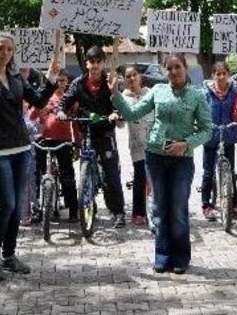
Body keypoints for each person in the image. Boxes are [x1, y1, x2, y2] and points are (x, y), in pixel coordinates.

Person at [0, 32, 58, 281]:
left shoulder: (16, 76)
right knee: (6, 205)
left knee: (17, 209)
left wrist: (50, 78)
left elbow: (38, 100)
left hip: (21, 149)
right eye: (0, 48)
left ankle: (9, 255)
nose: (5, 53)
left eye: (9, 49)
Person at [110, 53, 211, 274]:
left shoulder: (197, 96)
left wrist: (186, 144)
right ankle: (162, 255)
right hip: (155, 157)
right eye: (169, 68)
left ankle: (181, 257)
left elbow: (206, 130)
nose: (173, 72)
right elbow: (132, 113)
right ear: (164, 71)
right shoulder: (158, 91)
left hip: (182, 160)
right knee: (158, 207)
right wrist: (115, 94)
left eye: (178, 67)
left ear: (185, 68)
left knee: (177, 208)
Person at [56, 46, 127, 228]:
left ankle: (118, 212)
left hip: (105, 132)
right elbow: (66, 101)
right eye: (91, 62)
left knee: (111, 174)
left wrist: (115, 113)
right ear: (86, 63)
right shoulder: (78, 83)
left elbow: (119, 102)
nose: (95, 65)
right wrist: (61, 111)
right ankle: (89, 207)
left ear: (103, 63)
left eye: (98, 62)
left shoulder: (110, 82)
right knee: (85, 172)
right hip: (86, 131)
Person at [28, 69, 79, 223]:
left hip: (63, 140)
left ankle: (73, 209)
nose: (61, 84)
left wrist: (77, 143)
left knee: (67, 176)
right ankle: (36, 208)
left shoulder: (69, 99)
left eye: (63, 80)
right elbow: (31, 117)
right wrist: (41, 112)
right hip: (43, 139)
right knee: (38, 174)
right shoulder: (44, 97)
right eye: (58, 80)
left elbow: (75, 123)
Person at [201, 62, 237, 221]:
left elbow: (236, 117)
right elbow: (201, 112)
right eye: (217, 74)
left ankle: (233, 204)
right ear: (213, 75)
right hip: (210, 136)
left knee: (230, 171)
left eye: (223, 73)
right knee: (208, 172)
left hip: (228, 135)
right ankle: (206, 205)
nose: (221, 77)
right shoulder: (206, 93)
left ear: (228, 74)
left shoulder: (234, 93)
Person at [121, 65, 154, 226]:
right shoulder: (124, 97)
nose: (132, 78)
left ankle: (158, 209)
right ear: (124, 80)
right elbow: (120, 124)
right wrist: (117, 115)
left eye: (134, 75)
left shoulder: (151, 94)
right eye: (128, 76)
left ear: (140, 77)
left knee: (155, 175)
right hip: (137, 143)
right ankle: (138, 213)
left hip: (154, 141)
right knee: (140, 176)